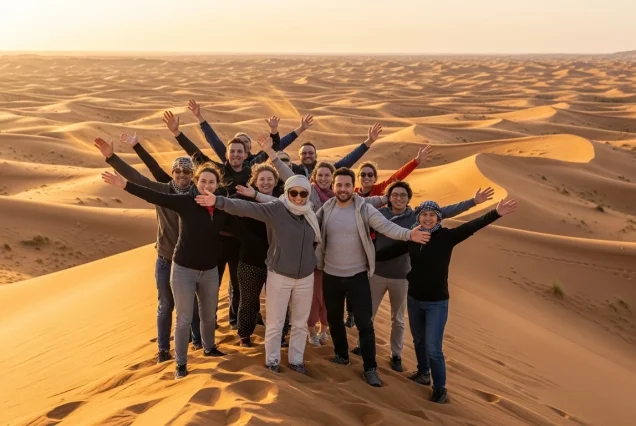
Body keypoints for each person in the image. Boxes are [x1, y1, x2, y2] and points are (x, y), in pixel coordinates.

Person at [376, 199, 517, 403]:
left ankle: (440, 388)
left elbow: (472, 226)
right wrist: (364, 255)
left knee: (434, 348)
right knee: (418, 340)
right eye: (424, 214)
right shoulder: (414, 237)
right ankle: (424, 373)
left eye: (432, 215)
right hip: (414, 298)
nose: (427, 218)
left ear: (438, 218)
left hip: (436, 302)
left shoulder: (447, 237)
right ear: (419, 217)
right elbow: (388, 253)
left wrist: (496, 213)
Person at [101, 163, 229, 379]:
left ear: (218, 185)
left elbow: (245, 214)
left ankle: (209, 348)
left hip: (209, 270)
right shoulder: (185, 202)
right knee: (184, 318)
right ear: (196, 182)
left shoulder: (223, 206)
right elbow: (154, 196)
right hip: (183, 270)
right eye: (203, 181)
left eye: (211, 182)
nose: (207, 185)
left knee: (208, 316)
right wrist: (125, 185)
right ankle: (180, 363)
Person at [350, 181, 496, 372]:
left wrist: (473, 201)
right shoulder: (380, 214)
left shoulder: (416, 217)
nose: (399, 198)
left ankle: (396, 355)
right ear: (389, 197)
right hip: (377, 273)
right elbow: (355, 214)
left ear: (409, 198)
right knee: (369, 315)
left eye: (403, 195)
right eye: (395, 195)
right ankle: (363, 346)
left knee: (398, 320)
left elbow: (446, 211)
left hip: (402, 277)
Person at [315, 168, 431, 387]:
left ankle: (370, 368)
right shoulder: (326, 208)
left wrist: (409, 234)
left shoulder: (363, 208)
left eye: (347, 185)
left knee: (364, 324)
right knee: (334, 319)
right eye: (338, 185)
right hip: (331, 274)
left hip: (357, 275)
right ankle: (342, 355)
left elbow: (387, 227)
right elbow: (311, 225)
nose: (342, 189)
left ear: (353, 187)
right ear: (334, 187)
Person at [195, 175, 321, 375]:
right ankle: (272, 361)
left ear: (308, 195)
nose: (298, 197)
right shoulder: (278, 209)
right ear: (286, 193)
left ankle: (296, 361)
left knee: (298, 323)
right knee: (275, 322)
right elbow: (247, 208)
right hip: (280, 275)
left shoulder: (311, 214)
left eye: (303, 193)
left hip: (305, 277)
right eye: (293, 192)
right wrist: (218, 202)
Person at [93, 136, 202, 363]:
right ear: (173, 173)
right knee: (166, 305)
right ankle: (163, 350)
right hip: (165, 259)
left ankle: (198, 344)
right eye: (178, 172)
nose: (182, 176)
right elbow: (136, 178)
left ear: (193, 175)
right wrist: (111, 157)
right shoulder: (161, 191)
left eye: (186, 172)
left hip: (191, 262)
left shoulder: (199, 196)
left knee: (191, 306)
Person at [163, 110, 254, 330]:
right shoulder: (218, 172)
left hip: (240, 240)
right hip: (217, 239)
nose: (235, 155)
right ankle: (209, 323)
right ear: (227, 154)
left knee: (238, 284)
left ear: (246, 154)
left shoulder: (252, 173)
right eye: (232, 151)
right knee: (212, 285)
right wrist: (178, 133)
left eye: (239, 151)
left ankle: (235, 321)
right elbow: (196, 154)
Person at [343, 144, 433, 329]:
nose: (367, 178)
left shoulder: (381, 190)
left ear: (375, 177)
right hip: (354, 241)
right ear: (358, 177)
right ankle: (351, 312)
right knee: (350, 278)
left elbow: (397, 178)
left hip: (376, 242)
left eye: (370, 175)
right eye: (363, 175)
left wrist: (416, 162)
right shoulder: (351, 194)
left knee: (363, 280)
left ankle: (355, 314)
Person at [228, 163, 284, 347]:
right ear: (255, 181)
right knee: (249, 300)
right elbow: (227, 217)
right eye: (262, 179)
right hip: (250, 259)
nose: (266, 182)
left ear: (275, 181)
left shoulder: (282, 201)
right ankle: (245, 335)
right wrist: (245, 237)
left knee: (278, 303)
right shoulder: (244, 199)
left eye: (270, 179)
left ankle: (280, 336)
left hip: (278, 262)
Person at [187, 99, 312, 163]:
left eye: (245, 141)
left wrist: (299, 129)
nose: (242, 143)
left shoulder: (257, 160)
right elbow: (213, 139)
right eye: (238, 141)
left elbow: (278, 145)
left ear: (250, 146)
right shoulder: (228, 161)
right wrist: (199, 118)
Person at [269, 122, 383, 178]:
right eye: (304, 153)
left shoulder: (326, 170)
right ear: (299, 157)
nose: (307, 155)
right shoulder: (292, 169)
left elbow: (348, 160)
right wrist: (299, 129)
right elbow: (276, 152)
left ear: (316, 155)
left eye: (310, 153)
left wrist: (368, 142)